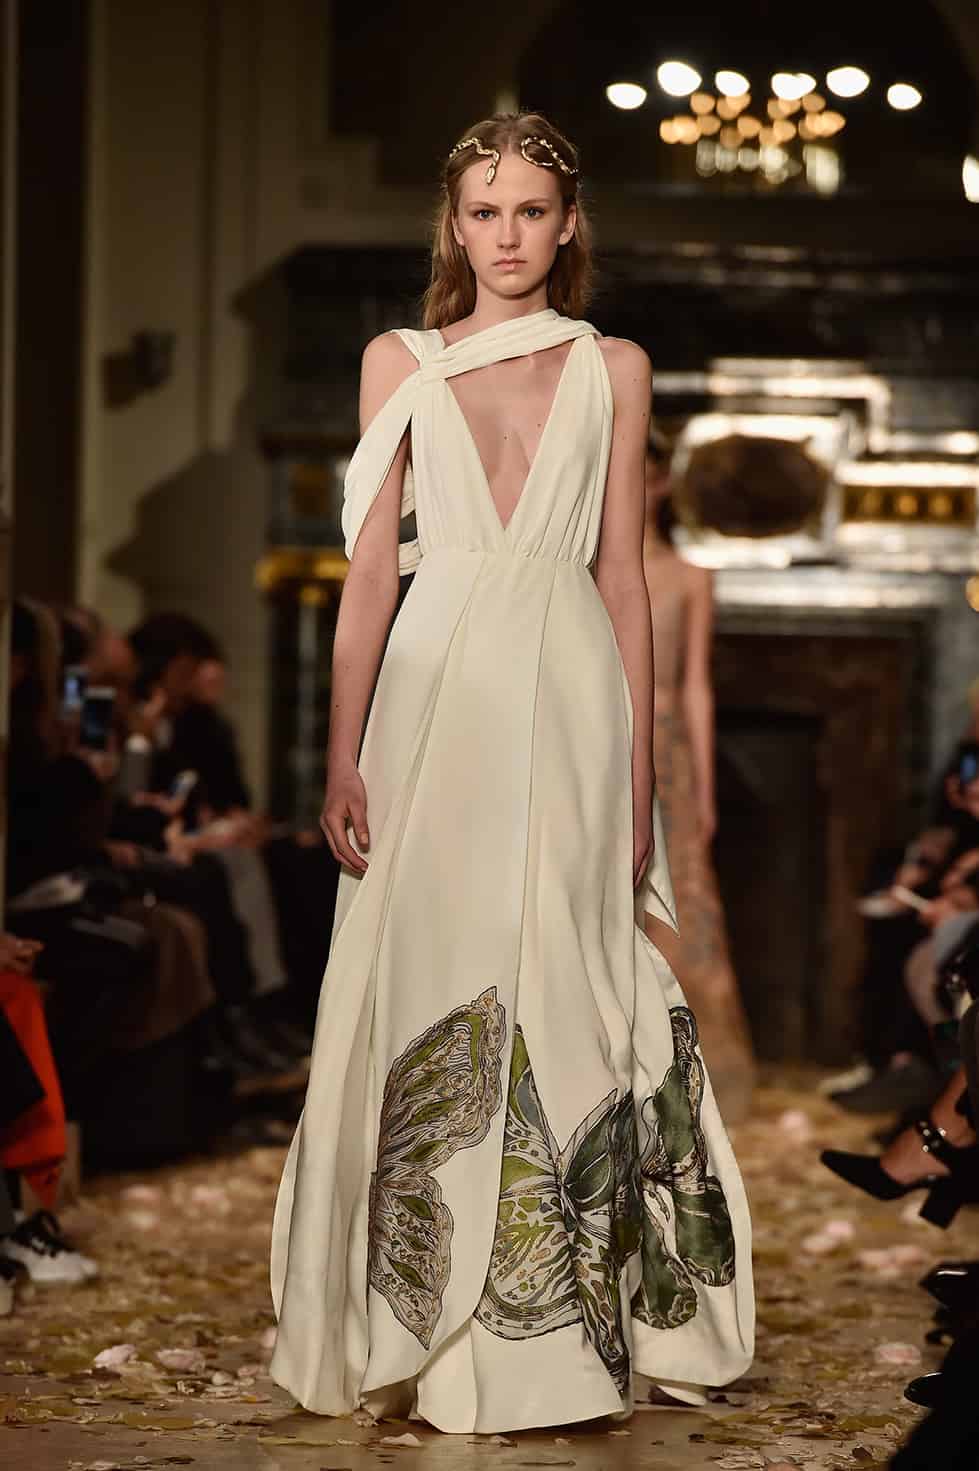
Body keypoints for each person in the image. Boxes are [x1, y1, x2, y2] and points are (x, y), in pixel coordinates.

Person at [270, 112, 754, 1433]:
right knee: (429, 970)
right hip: (432, 696)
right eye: (483, 212)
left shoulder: (612, 366)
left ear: (567, 222)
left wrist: (641, 779)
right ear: (452, 224)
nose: (506, 235)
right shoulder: (398, 361)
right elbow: (368, 578)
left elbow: (622, 578)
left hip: (568, 689)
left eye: (530, 210)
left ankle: (562, 1334)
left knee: (569, 974)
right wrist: (339, 748)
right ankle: (418, 1323)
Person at [640, 432, 755, 1121]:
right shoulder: (580, 567)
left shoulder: (690, 577)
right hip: (598, 744)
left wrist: (704, 788)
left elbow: (694, 688)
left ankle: (686, 1081)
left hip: (668, 758)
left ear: (661, 483)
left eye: (641, 471)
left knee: (680, 905)